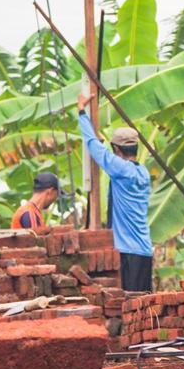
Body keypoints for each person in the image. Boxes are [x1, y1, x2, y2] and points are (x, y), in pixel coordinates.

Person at [77, 94, 154, 293]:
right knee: (142, 305)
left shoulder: (121, 170)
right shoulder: (142, 173)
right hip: (144, 250)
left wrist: (81, 111)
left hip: (127, 251)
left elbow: (93, 146)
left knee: (128, 304)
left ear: (117, 149)